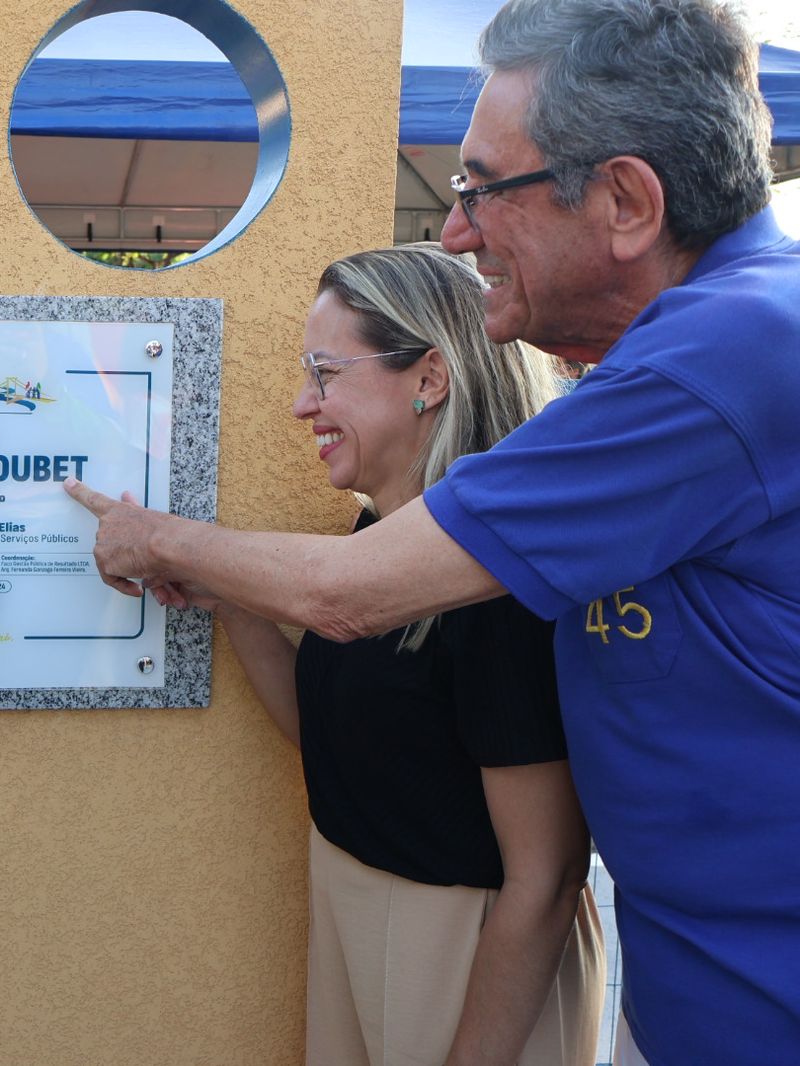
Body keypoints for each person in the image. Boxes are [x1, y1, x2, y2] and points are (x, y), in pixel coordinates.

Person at [66, 2, 798, 1063]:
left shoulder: (719, 355)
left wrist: (159, 543)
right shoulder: (715, 339)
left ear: (627, 201)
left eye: (479, 188)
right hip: (699, 998)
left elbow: (346, 594)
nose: (453, 232)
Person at [178, 244, 599, 1065]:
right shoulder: (383, 535)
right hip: (357, 908)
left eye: (325, 373)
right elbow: (339, 741)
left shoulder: (496, 589)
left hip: (469, 955)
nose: (303, 404)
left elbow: (544, 880)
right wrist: (233, 601)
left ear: (429, 379)